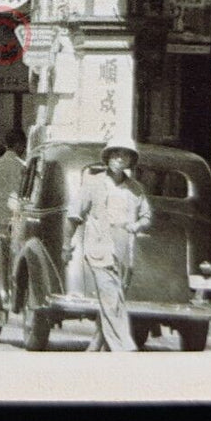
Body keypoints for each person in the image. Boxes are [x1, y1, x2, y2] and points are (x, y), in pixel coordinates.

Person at [68, 138, 152, 352]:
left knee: (113, 299)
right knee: (111, 296)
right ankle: (124, 348)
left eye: (124, 155)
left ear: (130, 160)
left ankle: (94, 348)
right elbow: (74, 215)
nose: (119, 159)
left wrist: (136, 225)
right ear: (107, 158)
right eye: (115, 154)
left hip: (125, 249)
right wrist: (65, 245)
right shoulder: (93, 184)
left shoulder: (135, 189)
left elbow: (146, 216)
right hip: (99, 247)